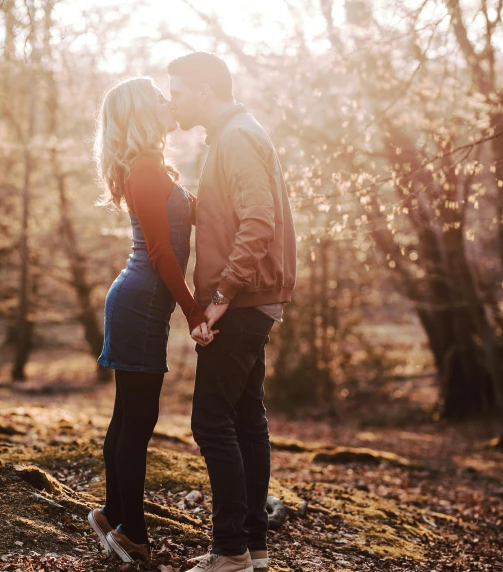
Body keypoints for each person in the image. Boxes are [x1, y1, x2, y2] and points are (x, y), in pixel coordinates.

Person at [168, 53, 297, 572]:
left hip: (243, 302)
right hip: (252, 299)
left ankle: (230, 552)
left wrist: (220, 297)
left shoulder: (238, 136)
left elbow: (258, 221)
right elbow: (229, 212)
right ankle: (253, 548)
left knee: (211, 421)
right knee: (246, 419)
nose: (172, 100)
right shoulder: (230, 135)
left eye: (177, 90)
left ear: (202, 89)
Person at [87, 76, 217, 564]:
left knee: (129, 417)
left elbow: (185, 219)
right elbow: (163, 252)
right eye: (160, 99)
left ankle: (112, 514)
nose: (169, 102)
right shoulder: (143, 169)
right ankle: (131, 533)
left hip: (142, 302)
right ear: (143, 112)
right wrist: (194, 311)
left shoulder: (153, 168)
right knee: (137, 420)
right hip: (140, 301)